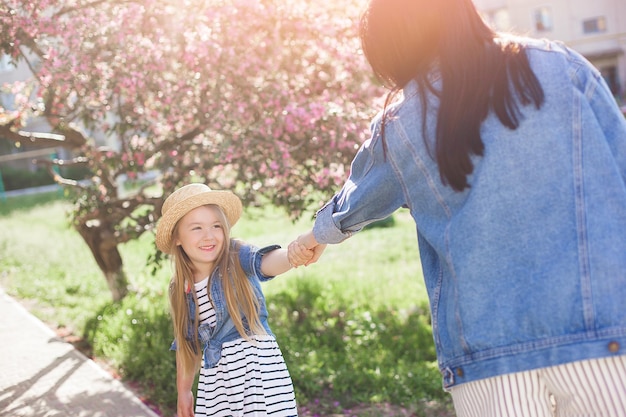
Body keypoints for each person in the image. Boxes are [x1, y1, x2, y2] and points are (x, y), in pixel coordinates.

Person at [290, 0, 626, 415]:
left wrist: (310, 239)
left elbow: (355, 201)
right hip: (601, 331)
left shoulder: (400, 123)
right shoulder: (561, 67)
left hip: (486, 353)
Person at [155, 183, 312, 417]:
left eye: (216, 226)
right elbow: (187, 345)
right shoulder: (180, 288)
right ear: (177, 238)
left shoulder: (237, 256)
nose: (209, 236)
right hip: (218, 384)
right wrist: (184, 392)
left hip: (257, 373)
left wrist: (293, 254)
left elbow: (265, 263)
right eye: (196, 228)